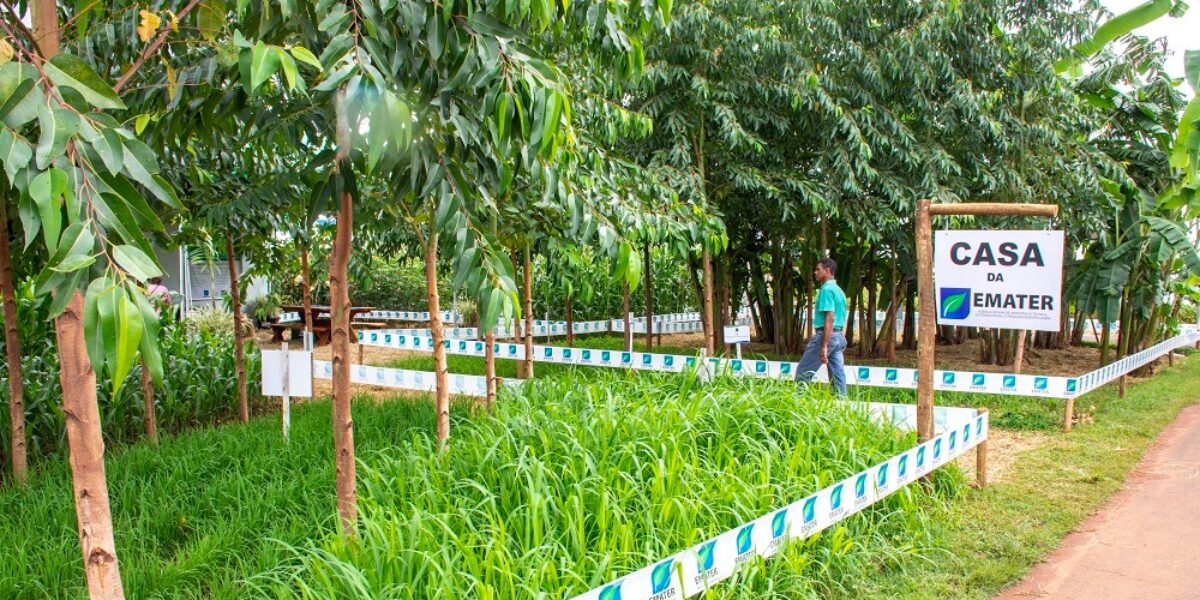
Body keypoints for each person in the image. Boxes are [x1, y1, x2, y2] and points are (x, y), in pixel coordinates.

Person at [794, 257, 849, 395]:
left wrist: (824, 345)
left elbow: (829, 317)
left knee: (803, 372)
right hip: (838, 336)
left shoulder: (826, 290)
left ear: (828, 270)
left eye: (818, 270)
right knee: (838, 377)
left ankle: (797, 405)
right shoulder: (839, 291)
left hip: (826, 336)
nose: (815, 272)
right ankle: (842, 407)